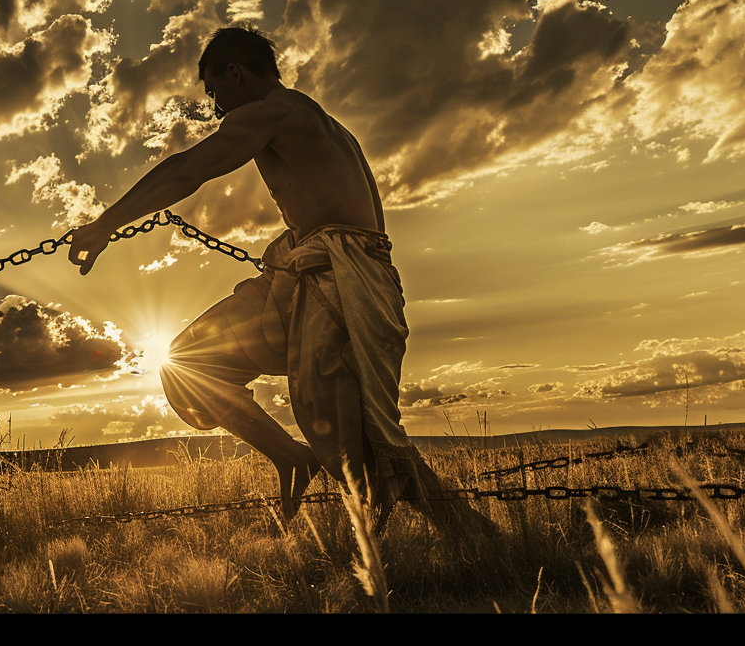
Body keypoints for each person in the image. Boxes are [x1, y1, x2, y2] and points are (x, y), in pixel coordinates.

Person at [69, 27, 492, 536]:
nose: (216, 108)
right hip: (306, 270)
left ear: (235, 73)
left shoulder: (278, 111)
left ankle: (473, 539)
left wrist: (103, 225)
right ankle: (291, 458)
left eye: (214, 93)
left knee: (354, 441)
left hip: (341, 277)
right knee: (189, 363)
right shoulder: (318, 124)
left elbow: (188, 170)